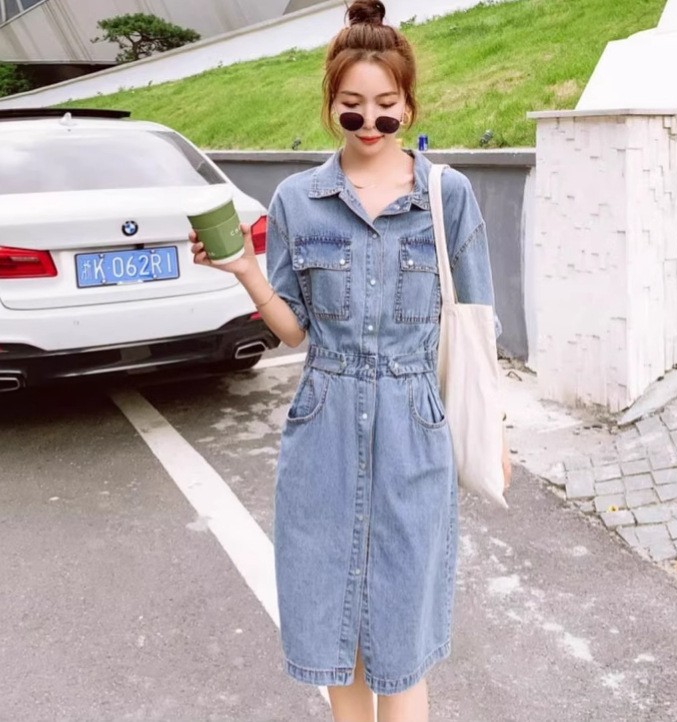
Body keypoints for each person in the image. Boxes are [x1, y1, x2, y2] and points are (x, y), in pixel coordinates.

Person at [190, 1, 511, 719]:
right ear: (331, 103)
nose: (370, 123)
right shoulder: (298, 201)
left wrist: (496, 431)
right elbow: (294, 333)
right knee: (336, 632)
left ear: (409, 104)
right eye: (353, 107)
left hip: (413, 428)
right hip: (323, 430)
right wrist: (244, 272)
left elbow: (476, 327)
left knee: (401, 641)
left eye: (386, 107)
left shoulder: (445, 197)